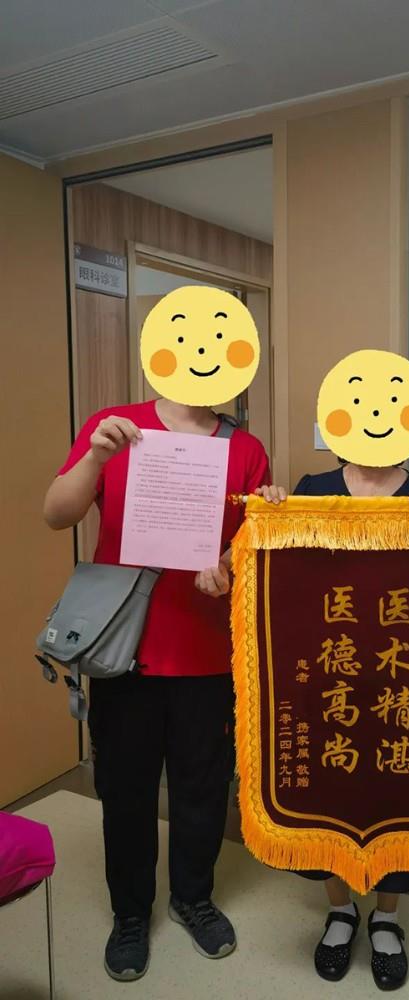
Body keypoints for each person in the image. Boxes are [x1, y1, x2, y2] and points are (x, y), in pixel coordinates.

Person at [43, 396, 269, 982]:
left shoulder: (245, 450)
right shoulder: (115, 428)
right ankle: (130, 913)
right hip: (124, 650)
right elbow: (56, 514)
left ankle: (193, 898)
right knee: (126, 791)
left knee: (203, 788)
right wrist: (95, 458)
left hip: (208, 652)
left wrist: (229, 562)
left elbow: (252, 543)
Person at [257, 459, 409, 991]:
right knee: (331, 789)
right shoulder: (313, 489)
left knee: (393, 791)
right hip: (330, 667)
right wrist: (273, 512)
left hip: (394, 671)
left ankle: (386, 919)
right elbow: (288, 568)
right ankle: (340, 911)